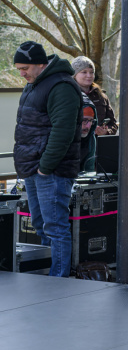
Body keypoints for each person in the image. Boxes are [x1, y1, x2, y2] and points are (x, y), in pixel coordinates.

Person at [13, 41, 83, 277]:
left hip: (51, 171)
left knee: (56, 228)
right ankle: (47, 275)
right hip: (34, 168)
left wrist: (45, 168)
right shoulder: (35, 83)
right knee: (42, 226)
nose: (22, 73)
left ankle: (58, 279)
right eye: (19, 69)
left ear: (40, 64)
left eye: (25, 68)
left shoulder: (61, 86)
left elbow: (62, 131)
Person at [70, 56, 118, 135]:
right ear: (75, 75)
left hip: (99, 145)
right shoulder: (66, 95)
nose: (89, 75)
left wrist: (106, 131)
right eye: (84, 72)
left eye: (91, 72)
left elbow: (113, 124)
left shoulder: (101, 96)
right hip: (75, 145)